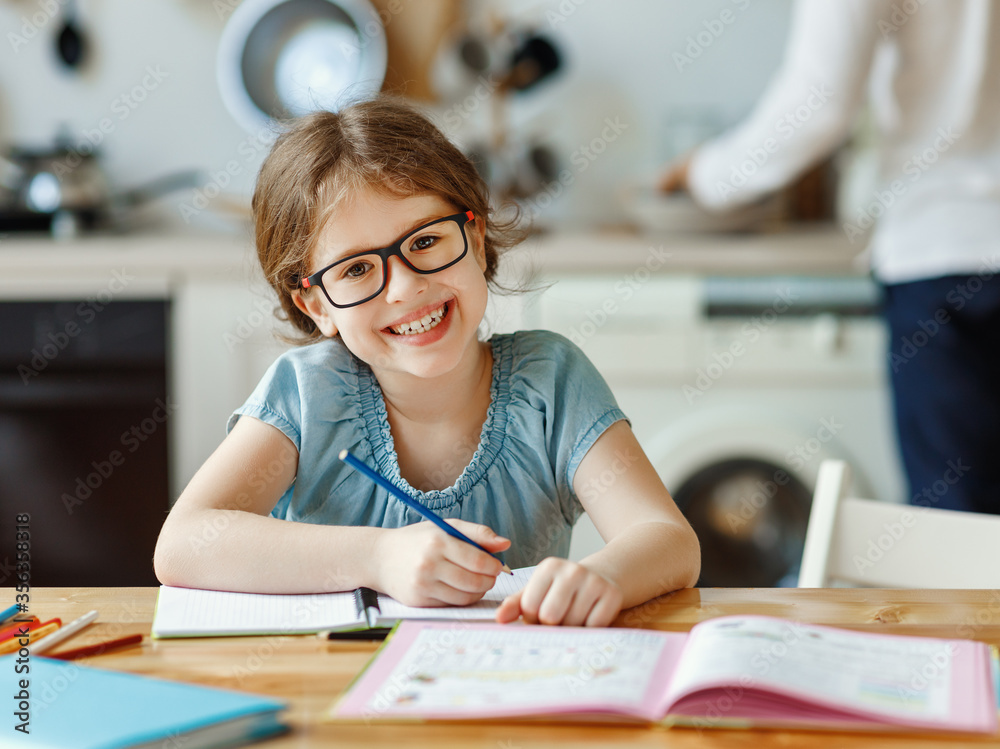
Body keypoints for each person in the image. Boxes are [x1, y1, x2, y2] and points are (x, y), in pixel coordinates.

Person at [153, 97, 700, 627]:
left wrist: (604, 576)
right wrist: (379, 557)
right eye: (356, 270)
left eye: (426, 240)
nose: (406, 287)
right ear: (316, 305)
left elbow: (668, 539)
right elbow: (183, 546)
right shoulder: (305, 395)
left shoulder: (552, 382)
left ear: (477, 239)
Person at [660, 0, 1000, 514]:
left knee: (961, 526)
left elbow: (818, 104)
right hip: (943, 251)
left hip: (941, 245)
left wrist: (706, 176)